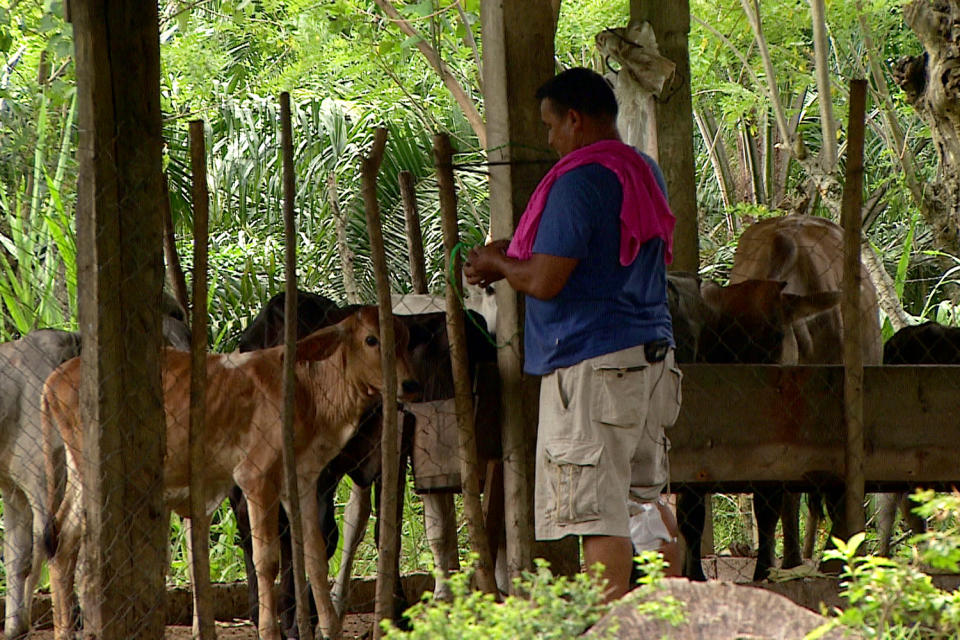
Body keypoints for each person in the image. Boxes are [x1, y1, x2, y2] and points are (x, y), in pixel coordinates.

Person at [464, 67, 682, 601]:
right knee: (647, 505)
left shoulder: (580, 178)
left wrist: (498, 262)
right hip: (652, 362)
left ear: (575, 119)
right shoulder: (642, 170)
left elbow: (543, 278)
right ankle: (670, 625)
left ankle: (608, 633)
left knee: (598, 516)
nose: (549, 139)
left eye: (550, 126)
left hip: (594, 371)